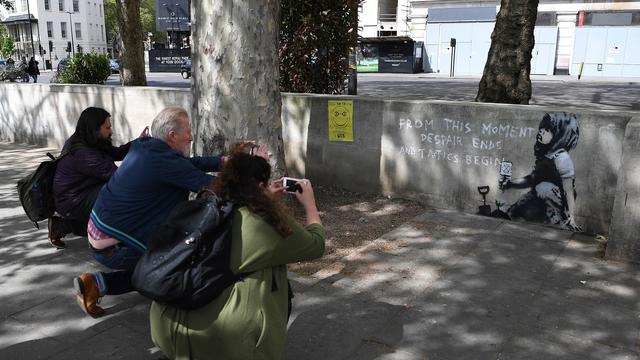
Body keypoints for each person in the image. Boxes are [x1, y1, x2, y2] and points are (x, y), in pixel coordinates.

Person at [150, 150, 325, 360]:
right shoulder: (265, 223)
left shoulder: (202, 205)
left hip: (165, 324)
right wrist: (310, 204)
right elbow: (316, 245)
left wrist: (262, 196)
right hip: (219, 339)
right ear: (259, 187)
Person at [73, 107, 234, 317]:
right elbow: (213, 187)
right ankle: (176, 315)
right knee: (176, 262)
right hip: (114, 247)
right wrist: (256, 185)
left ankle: (95, 283)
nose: (192, 137)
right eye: (188, 131)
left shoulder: (145, 146)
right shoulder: (164, 162)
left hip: (99, 233)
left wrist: (224, 162)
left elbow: (187, 165)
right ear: (172, 136)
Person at [50, 107, 144, 249]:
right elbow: (119, 178)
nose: (111, 131)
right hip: (71, 200)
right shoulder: (85, 154)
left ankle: (63, 225)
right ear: (95, 129)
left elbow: (117, 152)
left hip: (79, 193)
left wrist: (139, 142)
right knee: (119, 195)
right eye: (107, 128)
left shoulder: (87, 140)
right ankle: (116, 238)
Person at [499, 112, 581, 231]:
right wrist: (511, 184)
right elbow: (532, 179)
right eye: (541, 128)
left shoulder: (562, 158)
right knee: (516, 209)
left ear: (560, 134)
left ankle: (559, 221)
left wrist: (572, 217)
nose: (541, 132)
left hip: (556, 203)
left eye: (547, 130)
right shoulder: (547, 155)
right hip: (539, 197)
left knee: (543, 188)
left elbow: (568, 190)